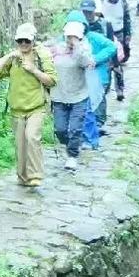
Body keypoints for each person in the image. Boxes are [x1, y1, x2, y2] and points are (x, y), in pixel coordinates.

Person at [0, 23, 57, 188]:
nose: (24, 44)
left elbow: (52, 80)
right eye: (20, 41)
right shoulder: (14, 58)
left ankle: (35, 175)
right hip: (17, 109)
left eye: (27, 41)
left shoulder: (42, 57)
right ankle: (23, 177)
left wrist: (34, 70)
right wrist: (9, 56)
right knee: (20, 144)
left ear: (33, 40)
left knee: (32, 136)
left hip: (36, 107)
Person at [49, 21, 95, 172]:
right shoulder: (57, 49)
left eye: (74, 37)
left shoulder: (84, 51)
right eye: (68, 37)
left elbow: (87, 63)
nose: (70, 40)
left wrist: (77, 47)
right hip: (59, 96)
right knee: (60, 129)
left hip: (78, 96)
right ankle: (71, 145)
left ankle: (72, 156)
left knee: (75, 128)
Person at [65, 9, 116, 144]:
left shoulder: (93, 37)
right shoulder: (64, 41)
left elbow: (111, 47)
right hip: (76, 81)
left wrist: (96, 59)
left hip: (96, 78)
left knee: (91, 108)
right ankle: (87, 136)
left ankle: (91, 137)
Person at [92, 0, 131, 101]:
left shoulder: (123, 0)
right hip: (104, 34)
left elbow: (127, 18)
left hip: (119, 33)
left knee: (118, 62)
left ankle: (120, 90)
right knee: (106, 61)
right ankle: (106, 87)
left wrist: (128, 34)